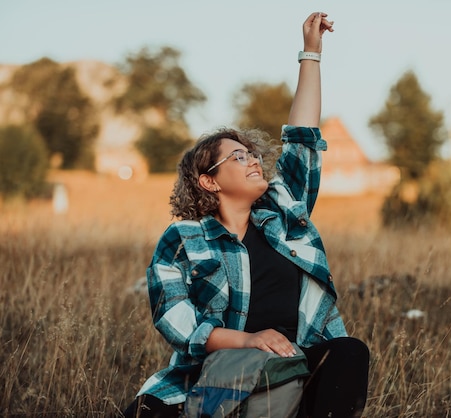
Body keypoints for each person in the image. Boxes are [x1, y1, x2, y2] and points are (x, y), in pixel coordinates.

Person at [123, 12, 369, 418]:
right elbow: (174, 319)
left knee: (349, 352)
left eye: (252, 153)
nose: (253, 161)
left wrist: (311, 53)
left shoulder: (283, 210)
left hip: (297, 364)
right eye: (238, 157)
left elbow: (302, 140)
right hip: (217, 376)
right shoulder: (183, 239)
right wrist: (249, 339)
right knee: (145, 412)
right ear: (209, 182)